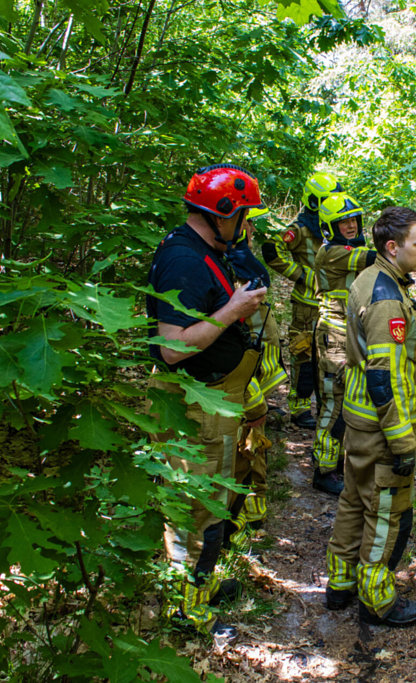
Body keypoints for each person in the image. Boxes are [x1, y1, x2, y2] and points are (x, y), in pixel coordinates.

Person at [144, 164, 268, 643]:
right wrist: (232, 311)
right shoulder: (184, 260)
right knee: (197, 512)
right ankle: (186, 610)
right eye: (244, 215)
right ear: (223, 213)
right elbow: (173, 347)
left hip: (215, 399)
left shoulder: (208, 251)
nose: (247, 224)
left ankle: (200, 588)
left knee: (210, 507)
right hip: (193, 403)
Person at [325, 206, 416, 627]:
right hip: (382, 427)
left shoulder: (369, 278)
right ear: (392, 246)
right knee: (385, 513)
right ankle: (377, 600)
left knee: (354, 500)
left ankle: (341, 584)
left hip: (360, 421)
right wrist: (403, 440)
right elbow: (384, 376)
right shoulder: (386, 298)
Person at [261, 173, 343, 430]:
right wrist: (303, 275)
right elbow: (271, 250)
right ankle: (299, 408)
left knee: (331, 354)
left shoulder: (336, 225)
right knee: (303, 354)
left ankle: (328, 405)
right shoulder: (299, 229)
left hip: (333, 304)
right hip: (306, 305)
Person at [225, 207, 288, 542]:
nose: (250, 229)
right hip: (240, 378)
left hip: (253, 374)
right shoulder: (226, 268)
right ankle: (235, 523)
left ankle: (252, 510)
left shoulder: (241, 261)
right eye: (245, 221)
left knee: (253, 440)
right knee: (243, 446)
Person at [311, 193, 377, 496]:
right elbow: (373, 259)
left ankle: (337, 462)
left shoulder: (349, 247)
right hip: (334, 336)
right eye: (343, 222)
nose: (351, 226)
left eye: (354, 220)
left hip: (351, 333)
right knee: (334, 404)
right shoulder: (331, 253)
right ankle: (323, 471)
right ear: (329, 227)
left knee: (348, 400)